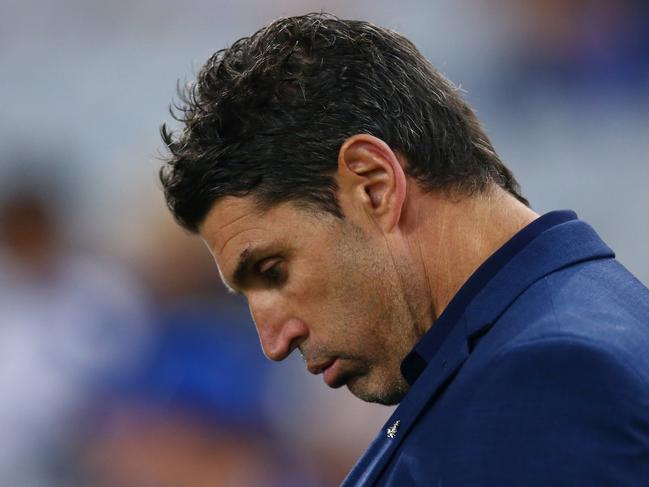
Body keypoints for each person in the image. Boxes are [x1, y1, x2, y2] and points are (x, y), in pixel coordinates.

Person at [158, 13, 649, 486]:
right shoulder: (522, 349)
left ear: (374, 186)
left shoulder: (547, 378)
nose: (273, 341)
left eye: (273, 270)